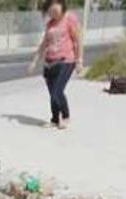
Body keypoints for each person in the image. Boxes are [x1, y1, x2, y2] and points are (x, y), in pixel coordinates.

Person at [28, 0, 83, 129]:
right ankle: (54, 119)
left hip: (66, 60)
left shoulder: (70, 18)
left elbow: (78, 41)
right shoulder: (50, 24)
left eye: (55, 11)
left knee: (57, 92)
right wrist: (34, 61)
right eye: (50, 12)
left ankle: (65, 116)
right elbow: (44, 44)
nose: (53, 14)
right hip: (49, 63)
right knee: (52, 94)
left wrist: (79, 60)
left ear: (61, 5)